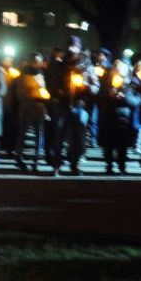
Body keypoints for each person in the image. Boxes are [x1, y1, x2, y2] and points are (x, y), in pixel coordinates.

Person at [48, 36, 98, 176]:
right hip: (62, 104)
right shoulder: (59, 64)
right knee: (59, 136)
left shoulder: (87, 65)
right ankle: (56, 165)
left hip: (79, 105)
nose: (71, 48)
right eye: (69, 45)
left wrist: (86, 86)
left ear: (79, 47)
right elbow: (51, 82)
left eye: (74, 46)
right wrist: (57, 91)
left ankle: (74, 165)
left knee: (78, 137)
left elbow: (95, 86)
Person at [96, 60, 141, 174]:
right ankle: (109, 164)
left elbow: (138, 100)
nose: (118, 72)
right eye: (116, 69)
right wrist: (108, 95)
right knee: (109, 143)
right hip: (109, 116)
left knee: (123, 144)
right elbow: (99, 97)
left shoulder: (131, 84)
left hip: (124, 118)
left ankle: (122, 165)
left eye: (121, 70)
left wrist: (125, 98)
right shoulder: (106, 83)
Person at [15, 53, 49, 171]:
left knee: (39, 134)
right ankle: (19, 158)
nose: (37, 63)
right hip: (27, 106)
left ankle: (36, 160)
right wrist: (29, 98)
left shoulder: (42, 73)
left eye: (39, 61)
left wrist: (44, 98)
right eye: (35, 61)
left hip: (39, 107)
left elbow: (45, 89)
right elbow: (20, 91)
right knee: (22, 133)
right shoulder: (23, 74)